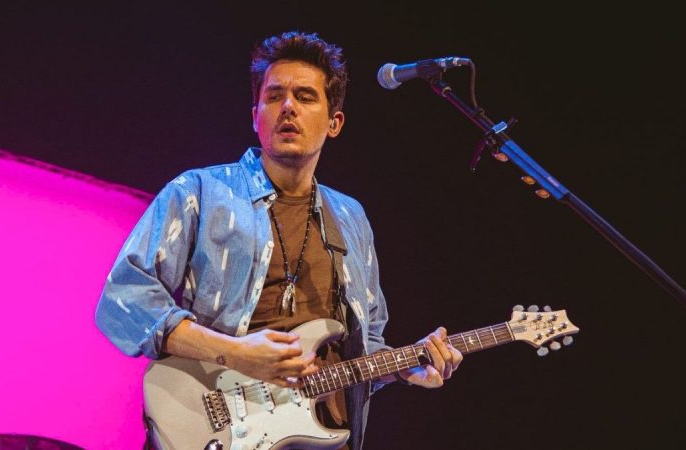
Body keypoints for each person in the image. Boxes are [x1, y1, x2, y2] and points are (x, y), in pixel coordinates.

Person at [95, 31, 462, 450]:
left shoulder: (352, 218)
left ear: (334, 123)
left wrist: (405, 367)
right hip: (217, 432)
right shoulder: (199, 192)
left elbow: (364, 348)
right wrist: (234, 352)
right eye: (274, 96)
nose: (288, 107)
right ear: (256, 116)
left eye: (305, 97)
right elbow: (124, 299)